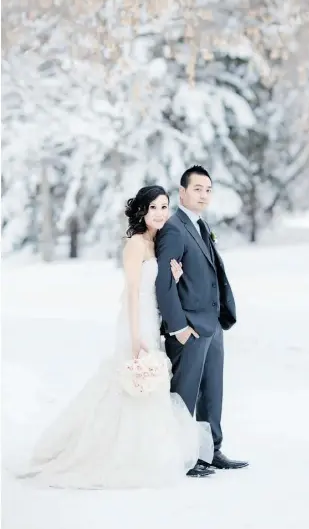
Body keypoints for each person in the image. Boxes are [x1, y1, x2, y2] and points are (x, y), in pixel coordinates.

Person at [16, 185, 213, 489]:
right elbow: (133, 293)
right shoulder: (135, 243)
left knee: (152, 385)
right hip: (137, 318)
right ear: (142, 211)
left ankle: (148, 451)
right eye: (154, 208)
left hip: (152, 315)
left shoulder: (157, 240)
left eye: (164, 207)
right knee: (132, 379)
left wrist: (172, 277)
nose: (160, 214)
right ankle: (117, 452)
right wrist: (136, 338)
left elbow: (158, 284)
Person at [155, 166, 249, 478]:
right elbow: (164, 284)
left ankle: (211, 451)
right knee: (185, 394)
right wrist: (179, 328)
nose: (204, 194)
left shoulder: (200, 225)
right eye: (197, 189)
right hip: (189, 328)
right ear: (182, 193)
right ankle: (184, 456)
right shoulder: (173, 228)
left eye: (208, 189)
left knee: (212, 392)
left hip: (211, 324)